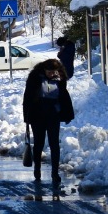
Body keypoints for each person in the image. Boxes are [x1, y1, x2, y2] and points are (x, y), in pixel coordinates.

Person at [22, 57, 74, 197]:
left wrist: (66, 112)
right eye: (49, 72)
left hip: (53, 115)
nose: (52, 74)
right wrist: (27, 117)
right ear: (44, 70)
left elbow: (64, 96)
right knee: (39, 143)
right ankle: (37, 170)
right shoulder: (35, 78)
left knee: (54, 144)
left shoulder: (60, 79)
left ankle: (55, 173)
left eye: (54, 72)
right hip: (38, 115)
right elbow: (27, 97)